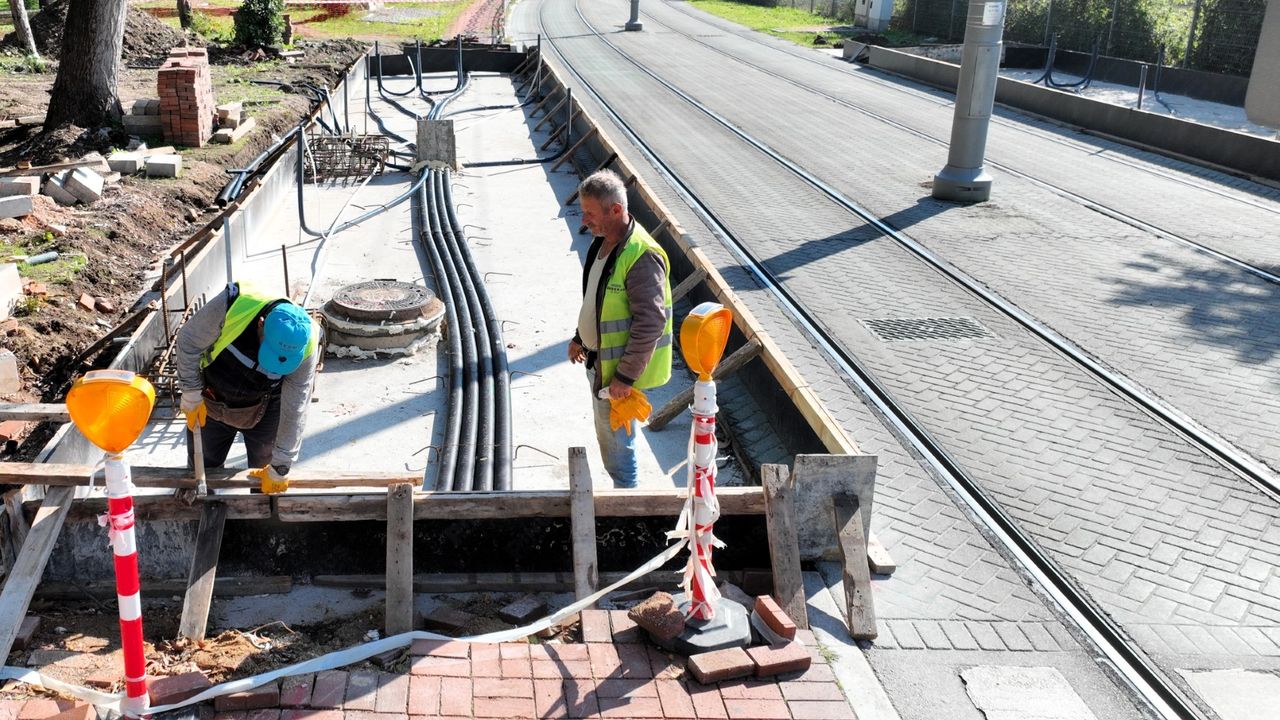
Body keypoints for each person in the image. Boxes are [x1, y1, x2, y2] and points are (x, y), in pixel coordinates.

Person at [567, 170, 673, 488]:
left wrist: (624, 378)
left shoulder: (641, 256)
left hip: (616, 372)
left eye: (590, 213)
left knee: (617, 445)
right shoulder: (604, 243)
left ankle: (627, 501)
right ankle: (624, 492)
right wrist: (579, 337)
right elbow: (598, 297)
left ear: (616, 210)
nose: (584, 221)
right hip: (599, 360)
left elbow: (651, 321)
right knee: (610, 437)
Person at [176, 281, 320, 494]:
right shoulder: (233, 303)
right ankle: (200, 506)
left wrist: (281, 465)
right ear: (260, 323)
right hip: (212, 395)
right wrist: (191, 392)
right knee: (203, 464)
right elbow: (188, 342)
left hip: (266, 404)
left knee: (266, 469)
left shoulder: (307, 343)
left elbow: (296, 406)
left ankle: (259, 518)